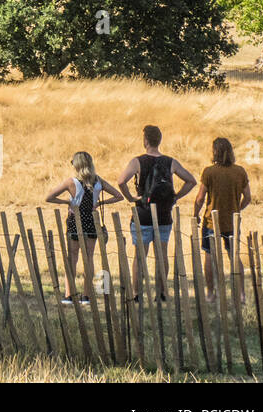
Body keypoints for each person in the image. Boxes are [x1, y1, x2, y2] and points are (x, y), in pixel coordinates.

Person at [118, 125, 196, 301]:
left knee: (140, 256)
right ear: (159, 140)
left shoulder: (137, 161)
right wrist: (176, 197)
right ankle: (161, 293)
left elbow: (121, 181)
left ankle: (137, 294)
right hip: (164, 214)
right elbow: (191, 181)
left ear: (145, 141)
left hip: (143, 213)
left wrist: (131, 197)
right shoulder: (171, 162)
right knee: (162, 254)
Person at [46, 151, 123, 303]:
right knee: (88, 257)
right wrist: (100, 203)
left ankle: (69, 294)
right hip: (92, 221)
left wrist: (67, 203)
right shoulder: (98, 181)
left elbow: (49, 197)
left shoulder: (71, 182)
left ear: (77, 165)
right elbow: (118, 196)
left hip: (76, 220)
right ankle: (86, 296)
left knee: (72, 258)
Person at [192, 137, 250, 303]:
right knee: (234, 255)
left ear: (215, 152)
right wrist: (237, 209)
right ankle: (240, 294)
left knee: (209, 255)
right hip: (231, 221)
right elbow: (248, 197)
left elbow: (200, 198)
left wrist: (196, 214)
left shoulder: (209, 172)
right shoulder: (240, 171)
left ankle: (211, 292)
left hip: (211, 221)